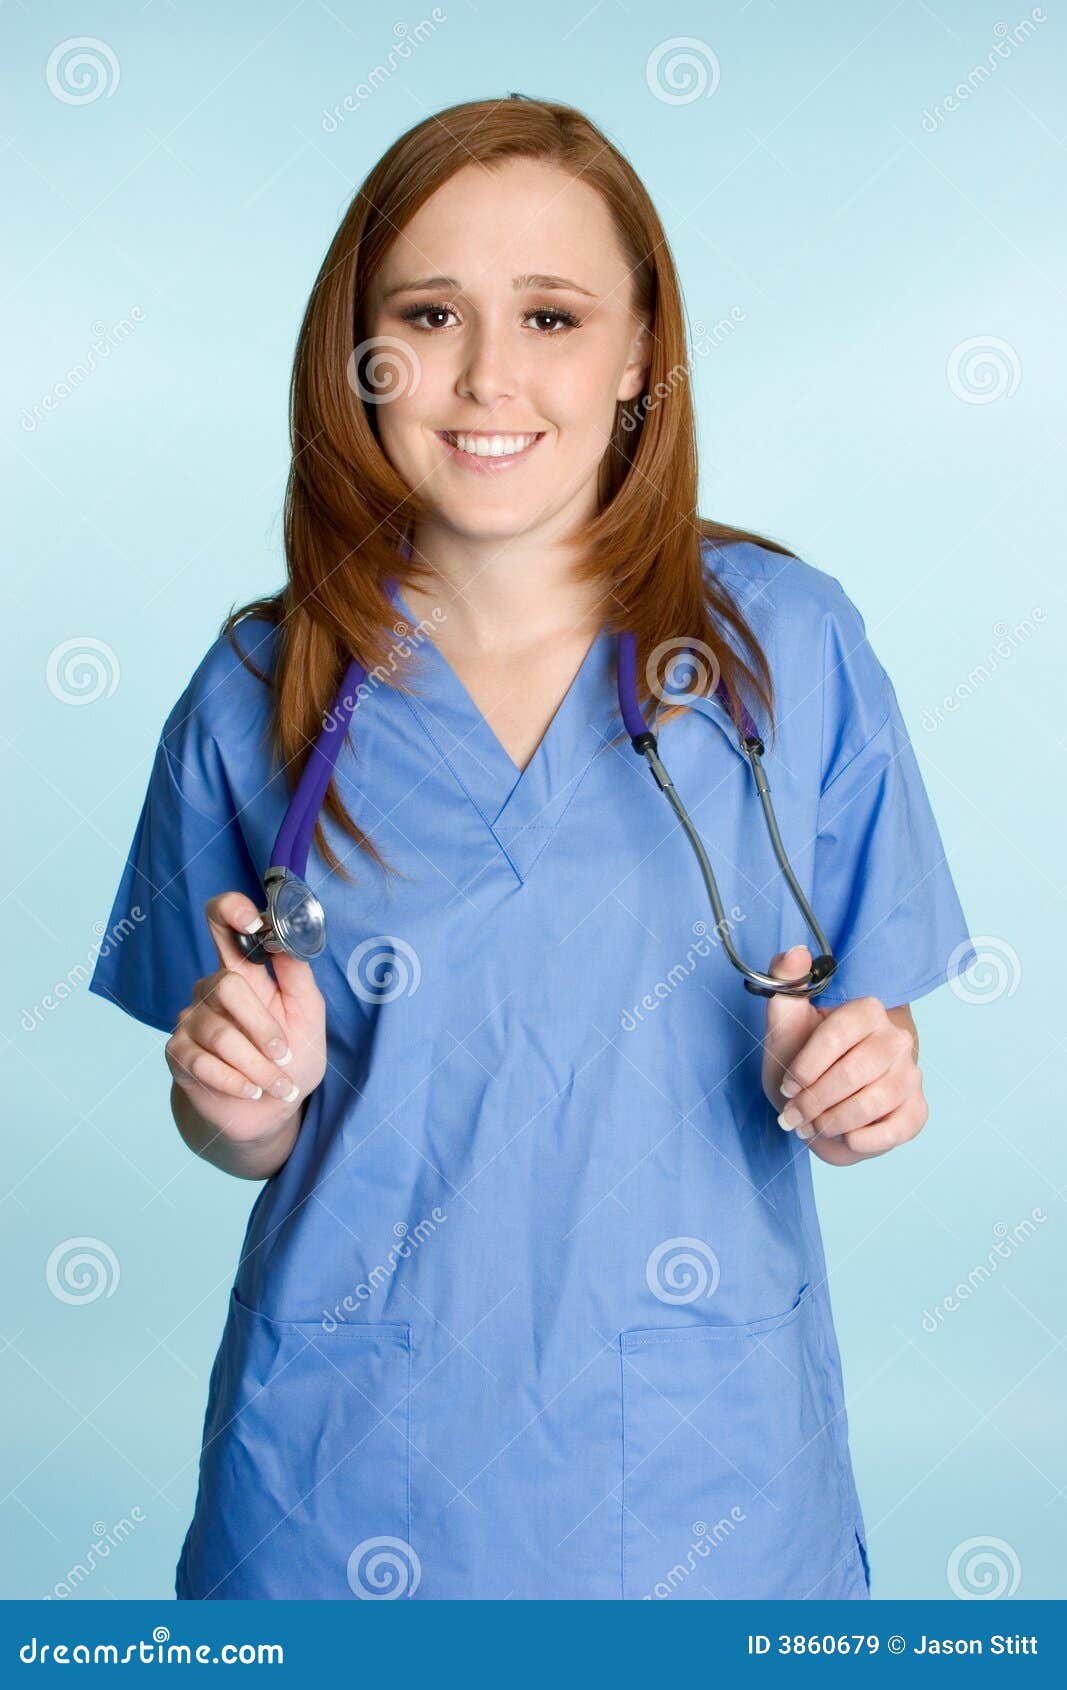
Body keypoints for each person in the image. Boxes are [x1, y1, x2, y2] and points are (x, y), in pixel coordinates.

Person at [89, 95, 976, 1601]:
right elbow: (237, 1133)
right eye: (429, 314)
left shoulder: (787, 650)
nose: (490, 376)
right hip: (337, 1479)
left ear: (640, 355)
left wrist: (859, 1087)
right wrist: (242, 1097)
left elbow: (866, 1042)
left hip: (707, 1492)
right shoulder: (259, 689)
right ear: (355, 352)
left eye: (553, 316)